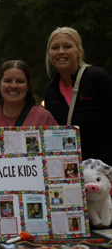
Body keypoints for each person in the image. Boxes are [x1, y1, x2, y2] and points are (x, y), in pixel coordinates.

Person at [45, 27, 112, 166]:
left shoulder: (97, 78)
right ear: (49, 54)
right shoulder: (51, 91)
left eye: (67, 46)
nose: (61, 51)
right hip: (72, 174)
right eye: (55, 47)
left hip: (105, 173)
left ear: (78, 51)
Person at [0, 60, 57, 128]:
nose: (14, 86)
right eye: (8, 81)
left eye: (20, 81)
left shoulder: (44, 118)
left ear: (28, 85)